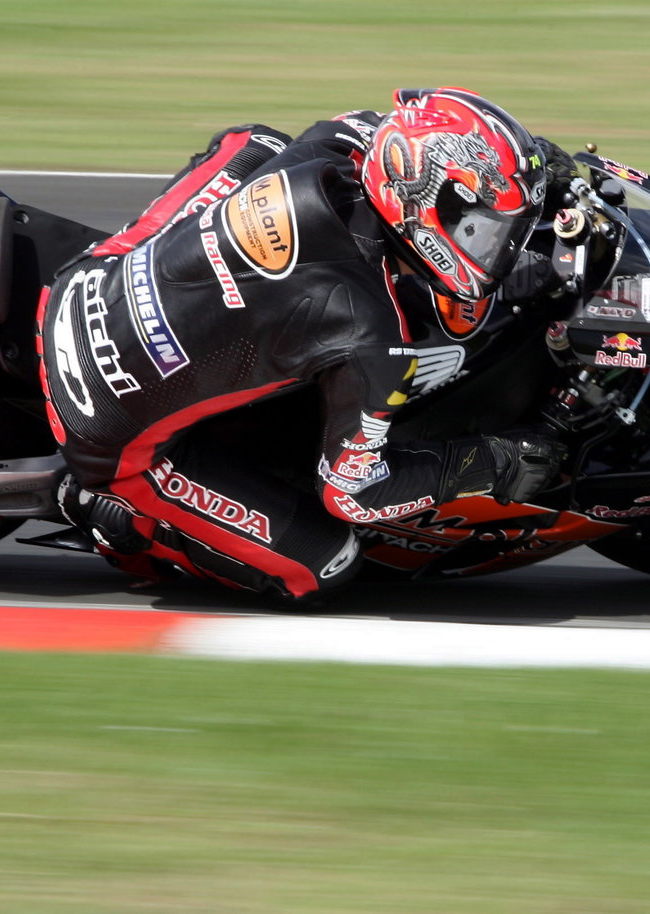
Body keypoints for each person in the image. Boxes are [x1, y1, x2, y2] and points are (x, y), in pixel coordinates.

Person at [38, 87, 574, 604]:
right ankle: (111, 514)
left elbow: (370, 124)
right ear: (420, 207)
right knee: (322, 563)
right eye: (481, 230)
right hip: (103, 419)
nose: (497, 249)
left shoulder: (345, 146)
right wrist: (487, 462)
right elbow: (352, 494)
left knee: (256, 145)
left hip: (89, 278)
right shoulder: (369, 332)